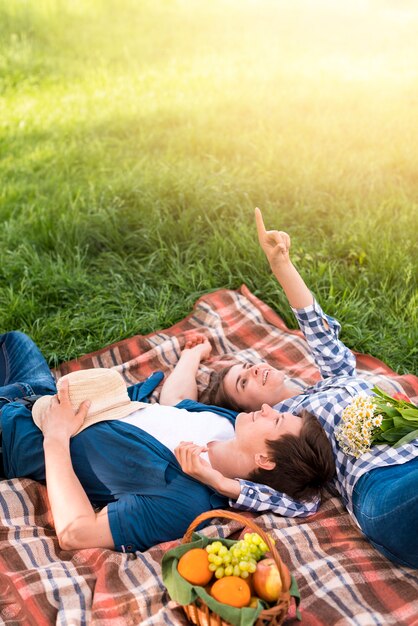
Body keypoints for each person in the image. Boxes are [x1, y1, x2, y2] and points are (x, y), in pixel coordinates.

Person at [164, 208, 418, 569]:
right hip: (383, 489)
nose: (253, 370)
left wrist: (281, 264)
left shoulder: (335, 376)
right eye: (244, 382)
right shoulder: (282, 446)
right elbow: (176, 403)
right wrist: (192, 355)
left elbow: (315, 325)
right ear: (246, 413)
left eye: (249, 367)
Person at [0, 328, 334, 554]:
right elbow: (176, 402)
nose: (265, 408)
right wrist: (193, 355)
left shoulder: (185, 502)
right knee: (14, 340)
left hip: (14, 434)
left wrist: (56, 438)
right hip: (41, 394)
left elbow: (77, 534)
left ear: (265, 459)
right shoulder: (229, 423)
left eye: (275, 419)